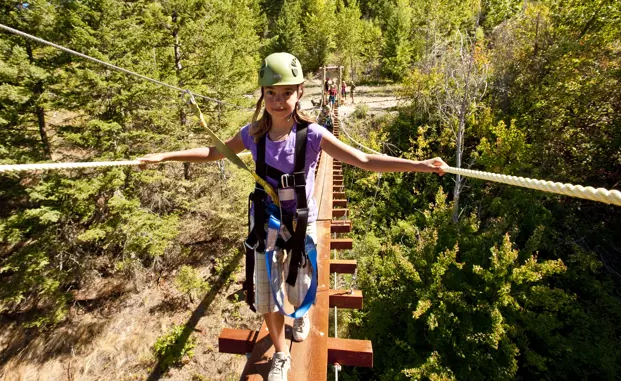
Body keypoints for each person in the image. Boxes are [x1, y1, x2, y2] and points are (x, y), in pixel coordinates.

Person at [138, 53, 447, 381]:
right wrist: (165, 156)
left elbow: (363, 160)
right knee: (266, 292)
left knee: (299, 287)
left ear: (300, 92)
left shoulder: (313, 135)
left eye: (286, 92)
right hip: (265, 222)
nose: (278, 100)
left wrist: (419, 164)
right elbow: (214, 152)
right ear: (262, 95)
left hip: (301, 222)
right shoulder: (252, 134)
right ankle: (281, 355)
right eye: (271, 93)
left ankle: (301, 314)